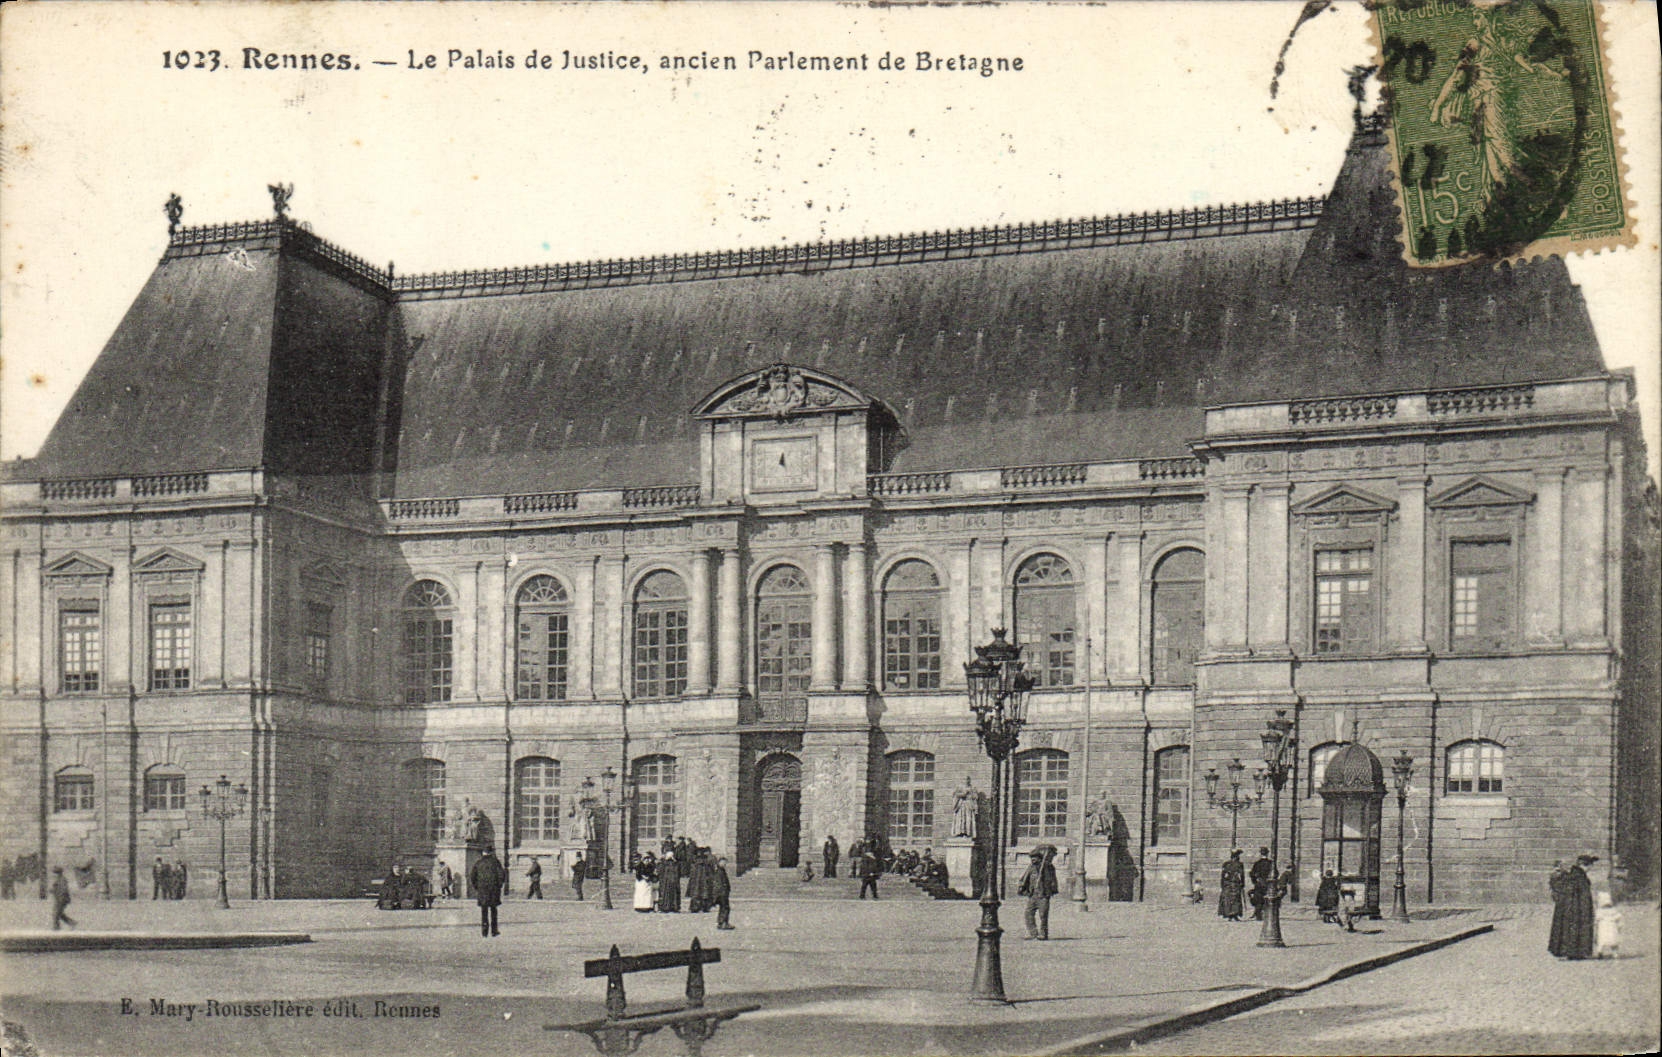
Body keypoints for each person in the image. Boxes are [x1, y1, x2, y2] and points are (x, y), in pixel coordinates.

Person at [1548, 854, 1596, 959]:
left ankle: (1571, 952)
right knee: (1575, 928)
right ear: (1584, 865)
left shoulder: (1572, 875)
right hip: (1575, 909)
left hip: (1568, 908)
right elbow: (1582, 895)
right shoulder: (1579, 877)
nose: (1591, 868)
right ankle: (1575, 952)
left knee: (1568, 929)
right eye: (1590, 866)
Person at [1019, 847, 1059, 940]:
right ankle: (1033, 933)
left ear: (1039, 858)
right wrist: (1023, 888)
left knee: (1043, 915)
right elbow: (1024, 878)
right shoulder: (1031, 868)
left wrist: (1045, 865)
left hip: (1043, 895)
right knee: (1028, 913)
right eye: (1031, 858)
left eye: (1035, 857)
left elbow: (1051, 879)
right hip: (1033, 895)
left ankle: (1043, 934)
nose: (1033, 859)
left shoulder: (1047, 867)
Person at [469, 846, 505, 937]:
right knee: (494, 911)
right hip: (493, 890)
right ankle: (494, 931)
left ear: (483, 853)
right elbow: (502, 875)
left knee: (484, 911)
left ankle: (484, 932)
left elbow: (473, 877)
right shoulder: (495, 862)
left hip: (483, 890)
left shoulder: (478, 863)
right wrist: (499, 886)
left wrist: (477, 887)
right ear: (491, 852)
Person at [1218, 850, 1245, 921]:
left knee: (1228, 900)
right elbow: (1242, 875)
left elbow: (1222, 876)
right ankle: (1234, 914)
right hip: (1234, 884)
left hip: (1227, 884)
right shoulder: (1239, 864)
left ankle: (1229, 914)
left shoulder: (1226, 864)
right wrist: (1242, 883)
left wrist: (1222, 885)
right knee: (1235, 899)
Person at [1248, 848, 1273, 921]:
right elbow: (1276, 873)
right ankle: (1266, 914)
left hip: (1259, 884)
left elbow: (1252, 873)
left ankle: (1258, 915)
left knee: (1258, 899)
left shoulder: (1257, 863)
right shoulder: (1271, 863)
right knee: (1267, 899)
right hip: (1268, 884)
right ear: (1267, 853)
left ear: (1261, 854)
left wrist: (1255, 881)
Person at [711, 856, 734, 930]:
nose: (725, 864)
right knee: (725, 908)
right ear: (719, 862)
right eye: (723, 862)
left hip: (723, 892)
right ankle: (723, 923)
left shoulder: (721, 870)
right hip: (722, 893)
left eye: (725, 863)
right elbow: (719, 883)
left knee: (724, 908)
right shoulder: (719, 871)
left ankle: (721, 922)